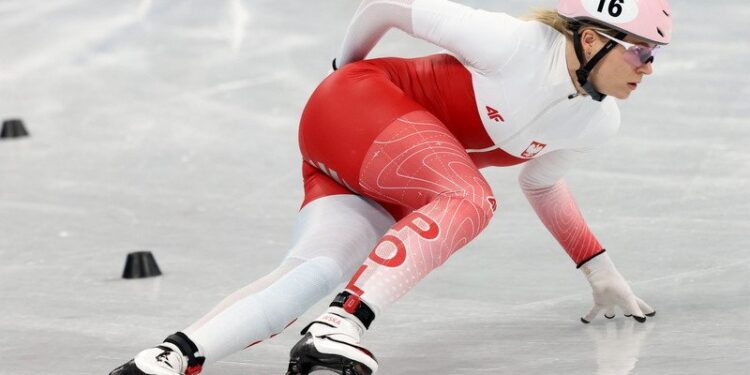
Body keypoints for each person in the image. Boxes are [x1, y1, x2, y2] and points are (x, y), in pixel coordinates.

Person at [109, 0, 672, 374]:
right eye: (643, 52)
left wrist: (598, 270)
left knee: (312, 273)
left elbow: (543, 185)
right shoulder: (514, 44)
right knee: (469, 197)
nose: (649, 68)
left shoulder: (597, 122)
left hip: (386, 169)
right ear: (595, 38)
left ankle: (167, 358)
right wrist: (343, 69)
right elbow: (388, 5)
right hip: (358, 109)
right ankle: (342, 324)